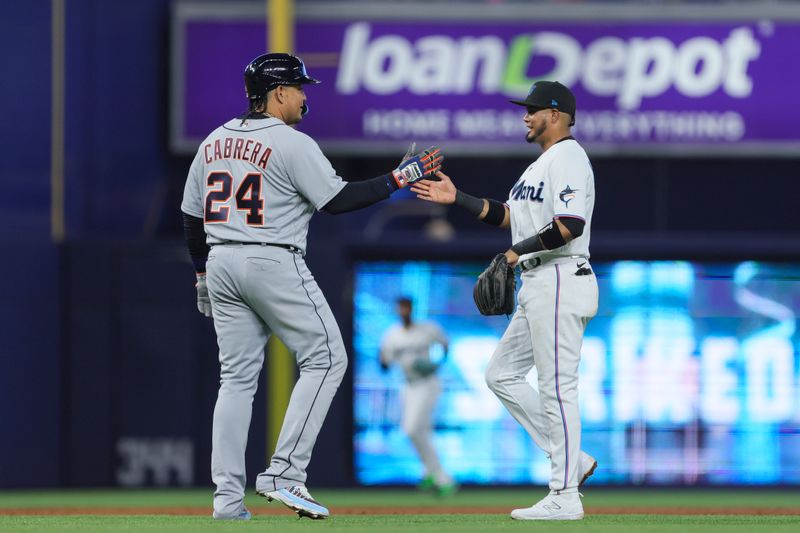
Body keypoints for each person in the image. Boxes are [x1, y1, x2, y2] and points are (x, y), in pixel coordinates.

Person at [180, 53, 442, 520]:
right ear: (278, 92)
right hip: (270, 256)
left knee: (235, 380)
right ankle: (286, 473)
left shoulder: (213, 140)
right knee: (326, 356)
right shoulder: (289, 141)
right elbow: (338, 200)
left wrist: (201, 271)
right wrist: (402, 176)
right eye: (300, 87)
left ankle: (226, 501)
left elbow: (190, 213)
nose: (305, 96)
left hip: (220, 259)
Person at [410, 81, 598, 520]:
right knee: (501, 374)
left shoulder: (569, 155)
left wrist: (516, 253)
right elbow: (513, 218)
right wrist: (458, 199)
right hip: (539, 282)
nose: (525, 117)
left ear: (555, 114)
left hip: (560, 276)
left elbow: (569, 223)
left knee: (557, 388)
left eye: (532, 110)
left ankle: (565, 495)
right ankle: (575, 459)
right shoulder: (539, 167)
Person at [379, 297, 456, 495]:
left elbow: (446, 345)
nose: (403, 311)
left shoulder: (427, 328)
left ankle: (440, 476)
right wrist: (383, 358)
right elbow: (384, 363)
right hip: (408, 385)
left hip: (428, 382)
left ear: (412, 308)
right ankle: (431, 472)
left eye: (406, 307)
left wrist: (436, 363)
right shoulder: (392, 334)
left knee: (411, 428)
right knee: (420, 431)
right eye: (400, 308)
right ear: (397, 310)